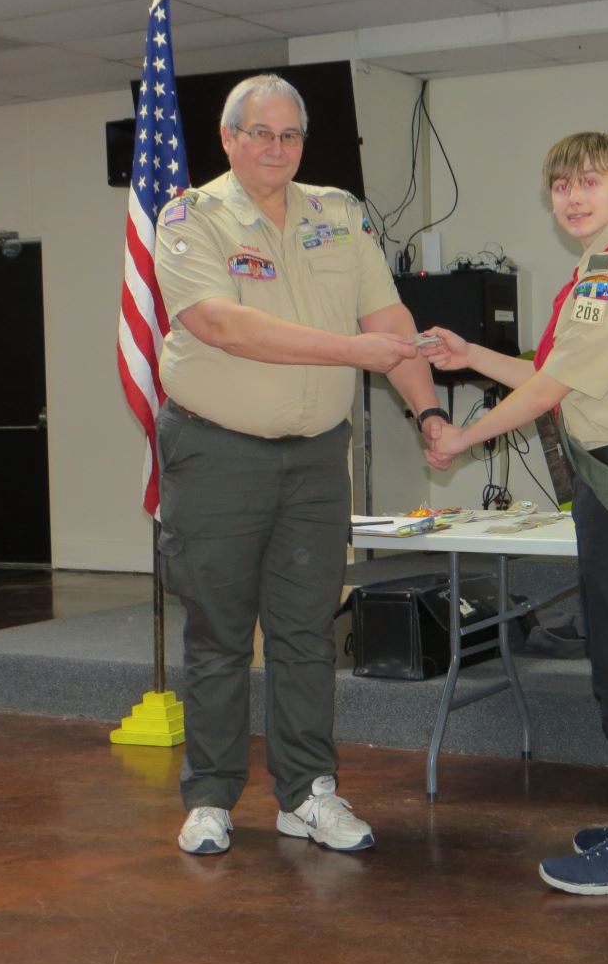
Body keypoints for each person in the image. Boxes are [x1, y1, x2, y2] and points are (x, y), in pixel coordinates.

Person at [152, 74, 450, 857]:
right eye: (259, 133)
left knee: (307, 632)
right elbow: (224, 325)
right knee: (219, 633)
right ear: (228, 138)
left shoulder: (339, 215)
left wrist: (428, 413)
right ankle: (210, 797)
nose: (276, 148)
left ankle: (307, 793)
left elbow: (389, 319)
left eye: (289, 135)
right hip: (216, 452)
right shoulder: (191, 218)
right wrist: (350, 349)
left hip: (317, 458)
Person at [422, 132, 608, 895]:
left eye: (589, 183)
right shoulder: (600, 268)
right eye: (561, 186)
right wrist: (471, 355)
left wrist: (462, 439)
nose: (573, 198)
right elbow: (554, 372)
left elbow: (547, 391)